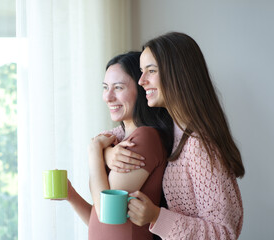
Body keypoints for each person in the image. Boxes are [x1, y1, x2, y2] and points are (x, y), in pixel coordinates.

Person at [105, 32, 245, 239]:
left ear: (177, 74)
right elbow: (115, 133)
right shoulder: (173, 128)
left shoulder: (199, 144)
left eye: (150, 71)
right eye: (142, 71)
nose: (142, 80)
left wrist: (156, 217)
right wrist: (107, 151)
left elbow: (223, 233)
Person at [66, 51, 174, 240]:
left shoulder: (145, 138)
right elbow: (99, 224)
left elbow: (105, 212)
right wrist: (71, 195)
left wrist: (94, 152)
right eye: (105, 87)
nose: (108, 97)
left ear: (141, 90)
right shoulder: (120, 142)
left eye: (118, 87)